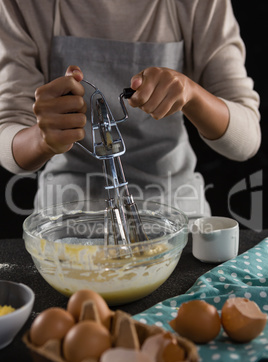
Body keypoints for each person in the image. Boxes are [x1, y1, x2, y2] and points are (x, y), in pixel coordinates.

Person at [0, 0, 261, 219]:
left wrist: (193, 95)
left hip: (177, 213)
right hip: (65, 217)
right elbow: (9, 136)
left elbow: (246, 139)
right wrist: (42, 139)